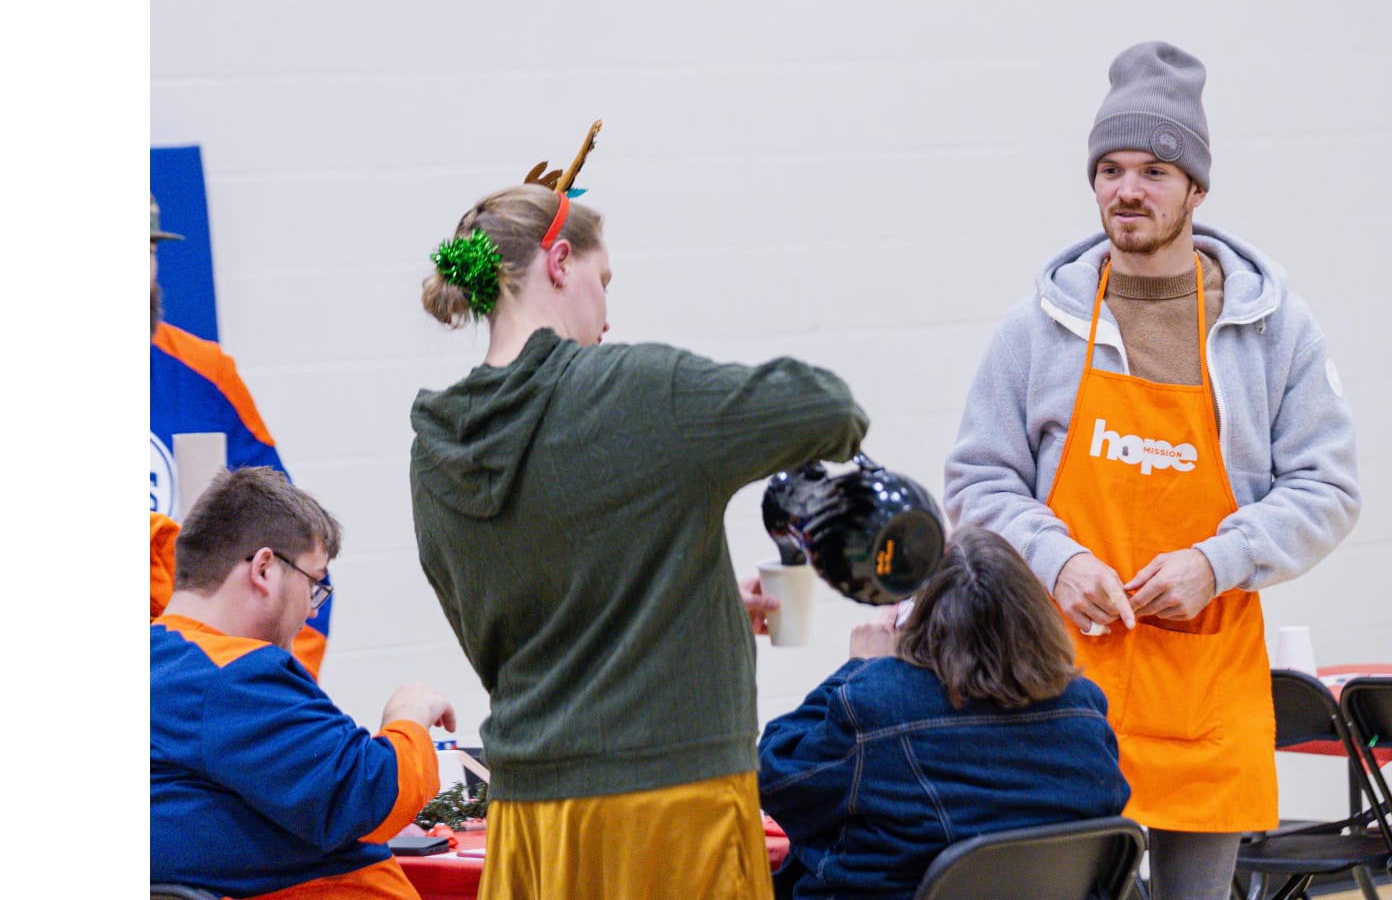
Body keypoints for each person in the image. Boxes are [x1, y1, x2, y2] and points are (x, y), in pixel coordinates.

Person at [944, 42, 1361, 899]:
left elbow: (1328, 489)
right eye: (1110, 170)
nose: (1127, 190)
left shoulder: (1274, 330)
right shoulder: (1037, 328)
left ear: (1197, 189)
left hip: (1205, 691)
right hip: (1058, 684)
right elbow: (978, 485)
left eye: (1154, 171)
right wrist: (1059, 562)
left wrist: (1217, 561)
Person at [410, 127, 870, 900]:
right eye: (605, 280)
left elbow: (514, 634)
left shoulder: (434, 454)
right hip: (672, 803)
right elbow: (830, 408)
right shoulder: (640, 389)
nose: (607, 314)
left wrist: (693, 601)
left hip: (530, 817)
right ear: (560, 262)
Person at [758, 527, 1130, 900]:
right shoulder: (1085, 707)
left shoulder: (877, 701)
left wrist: (856, 668)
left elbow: (773, 779)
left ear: (919, 619)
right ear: (1034, 614)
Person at [152, 467, 456, 899]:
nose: (313, 610)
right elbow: (367, 796)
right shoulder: (232, 675)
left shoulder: (162, 663)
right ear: (264, 569)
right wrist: (408, 717)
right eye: (314, 583)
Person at [150, 194, 331, 677]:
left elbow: (293, 536)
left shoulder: (205, 374)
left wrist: (286, 680)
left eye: (147, 251)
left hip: (193, 683)